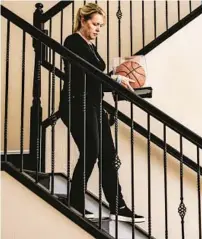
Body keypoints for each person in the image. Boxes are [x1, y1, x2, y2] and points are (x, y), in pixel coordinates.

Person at [59, 3, 144, 222]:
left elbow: (96, 79)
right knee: (91, 151)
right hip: (77, 105)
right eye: (95, 24)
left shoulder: (89, 46)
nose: (98, 29)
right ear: (83, 21)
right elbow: (86, 75)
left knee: (108, 155)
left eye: (101, 26)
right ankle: (75, 199)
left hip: (94, 105)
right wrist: (114, 78)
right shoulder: (73, 42)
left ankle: (118, 206)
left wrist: (117, 79)